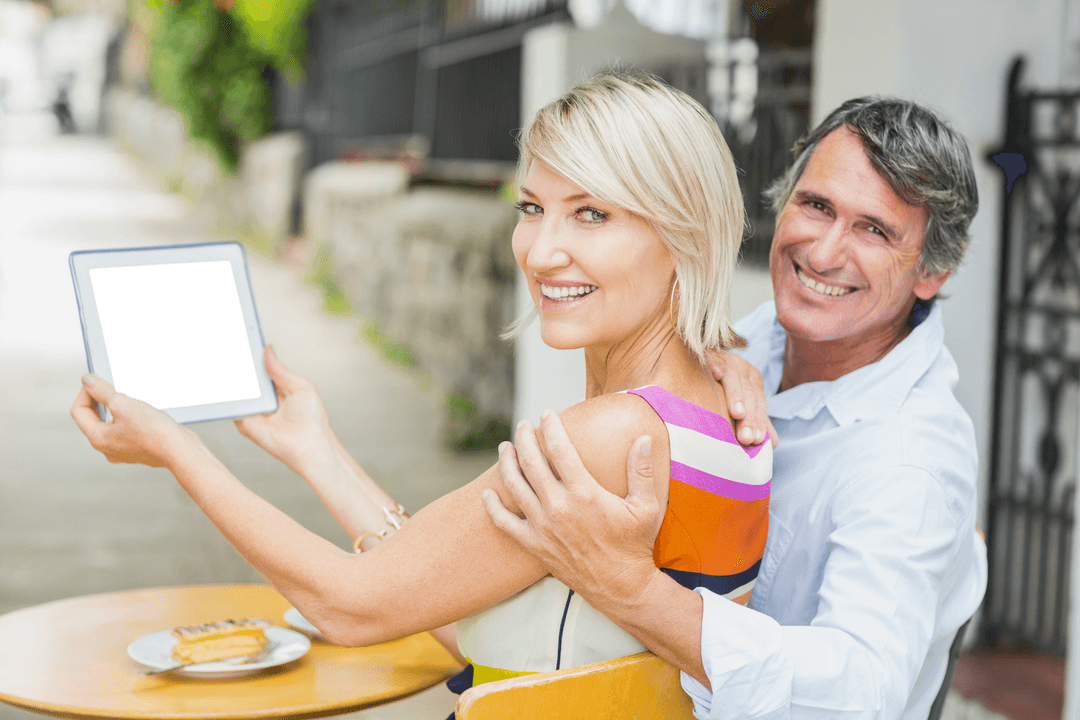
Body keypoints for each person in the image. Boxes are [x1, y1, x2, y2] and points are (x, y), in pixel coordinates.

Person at [69, 73, 770, 696]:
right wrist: (320, 454)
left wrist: (176, 450)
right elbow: (466, 621)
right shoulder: (722, 417)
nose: (542, 250)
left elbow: (353, 606)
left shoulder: (610, 437)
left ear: (687, 235)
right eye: (532, 208)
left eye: (592, 213)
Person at [484, 96, 988, 720]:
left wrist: (631, 590)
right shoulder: (756, 343)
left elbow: (860, 693)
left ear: (931, 272)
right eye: (817, 205)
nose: (824, 253)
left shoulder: (911, 461)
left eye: (874, 230)